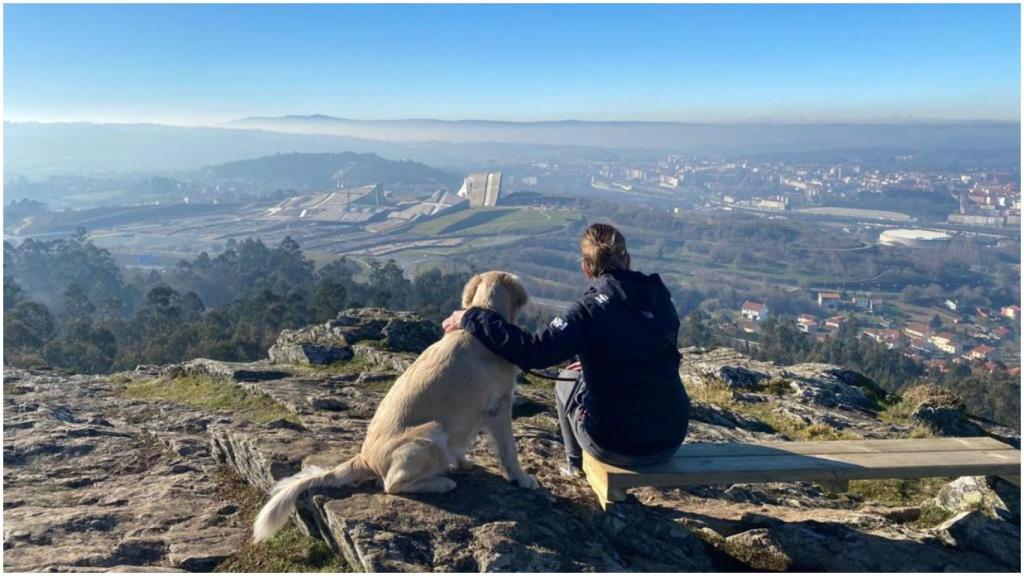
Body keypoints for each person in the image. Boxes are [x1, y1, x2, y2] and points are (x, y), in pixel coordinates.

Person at [442, 223, 690, 476]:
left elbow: (535, 352)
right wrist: (600, 358)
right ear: (628, 260)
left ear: (585, 266)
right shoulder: (660, 298)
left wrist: (473, 317)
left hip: (617, 445)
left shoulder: (589, 310)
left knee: (565, 381)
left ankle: (575, 465)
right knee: (582, 376)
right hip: (671, 437)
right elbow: (652, 349)